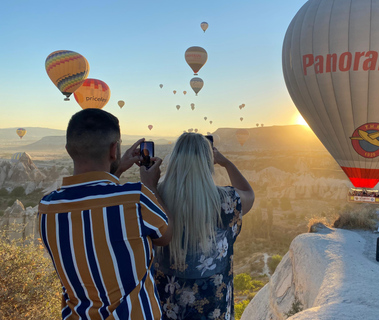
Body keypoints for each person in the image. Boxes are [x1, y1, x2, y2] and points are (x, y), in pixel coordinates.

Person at [38, 109, 172, 320]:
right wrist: (150, 186)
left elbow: (93, 203)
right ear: (114, 149)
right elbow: (165, 235)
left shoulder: (47, 207)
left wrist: (115, 171)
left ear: (68, 150)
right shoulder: (136, 197)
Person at [153, 133, 255, 320]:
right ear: (208, 162)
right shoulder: (224, 201)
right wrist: (226, 162)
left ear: (175, 159)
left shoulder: (154, 197)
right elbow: (249, 193)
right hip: (212, 307)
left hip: (165, 306)